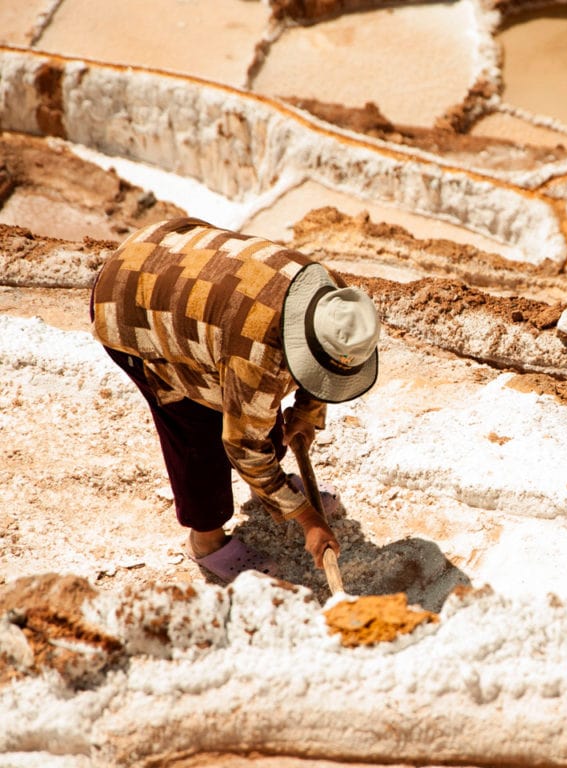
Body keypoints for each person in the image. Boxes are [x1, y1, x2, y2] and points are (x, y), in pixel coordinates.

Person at [90, 217, 380, 581]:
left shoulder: (335, 300)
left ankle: (274, 495)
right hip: (131, 301)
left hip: (179, 265)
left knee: (256, 409)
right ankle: (205, 541)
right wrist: (308, 519)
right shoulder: (259, 354)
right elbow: (243, 443)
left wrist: (306, 411)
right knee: (199, 430)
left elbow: (318, 370)